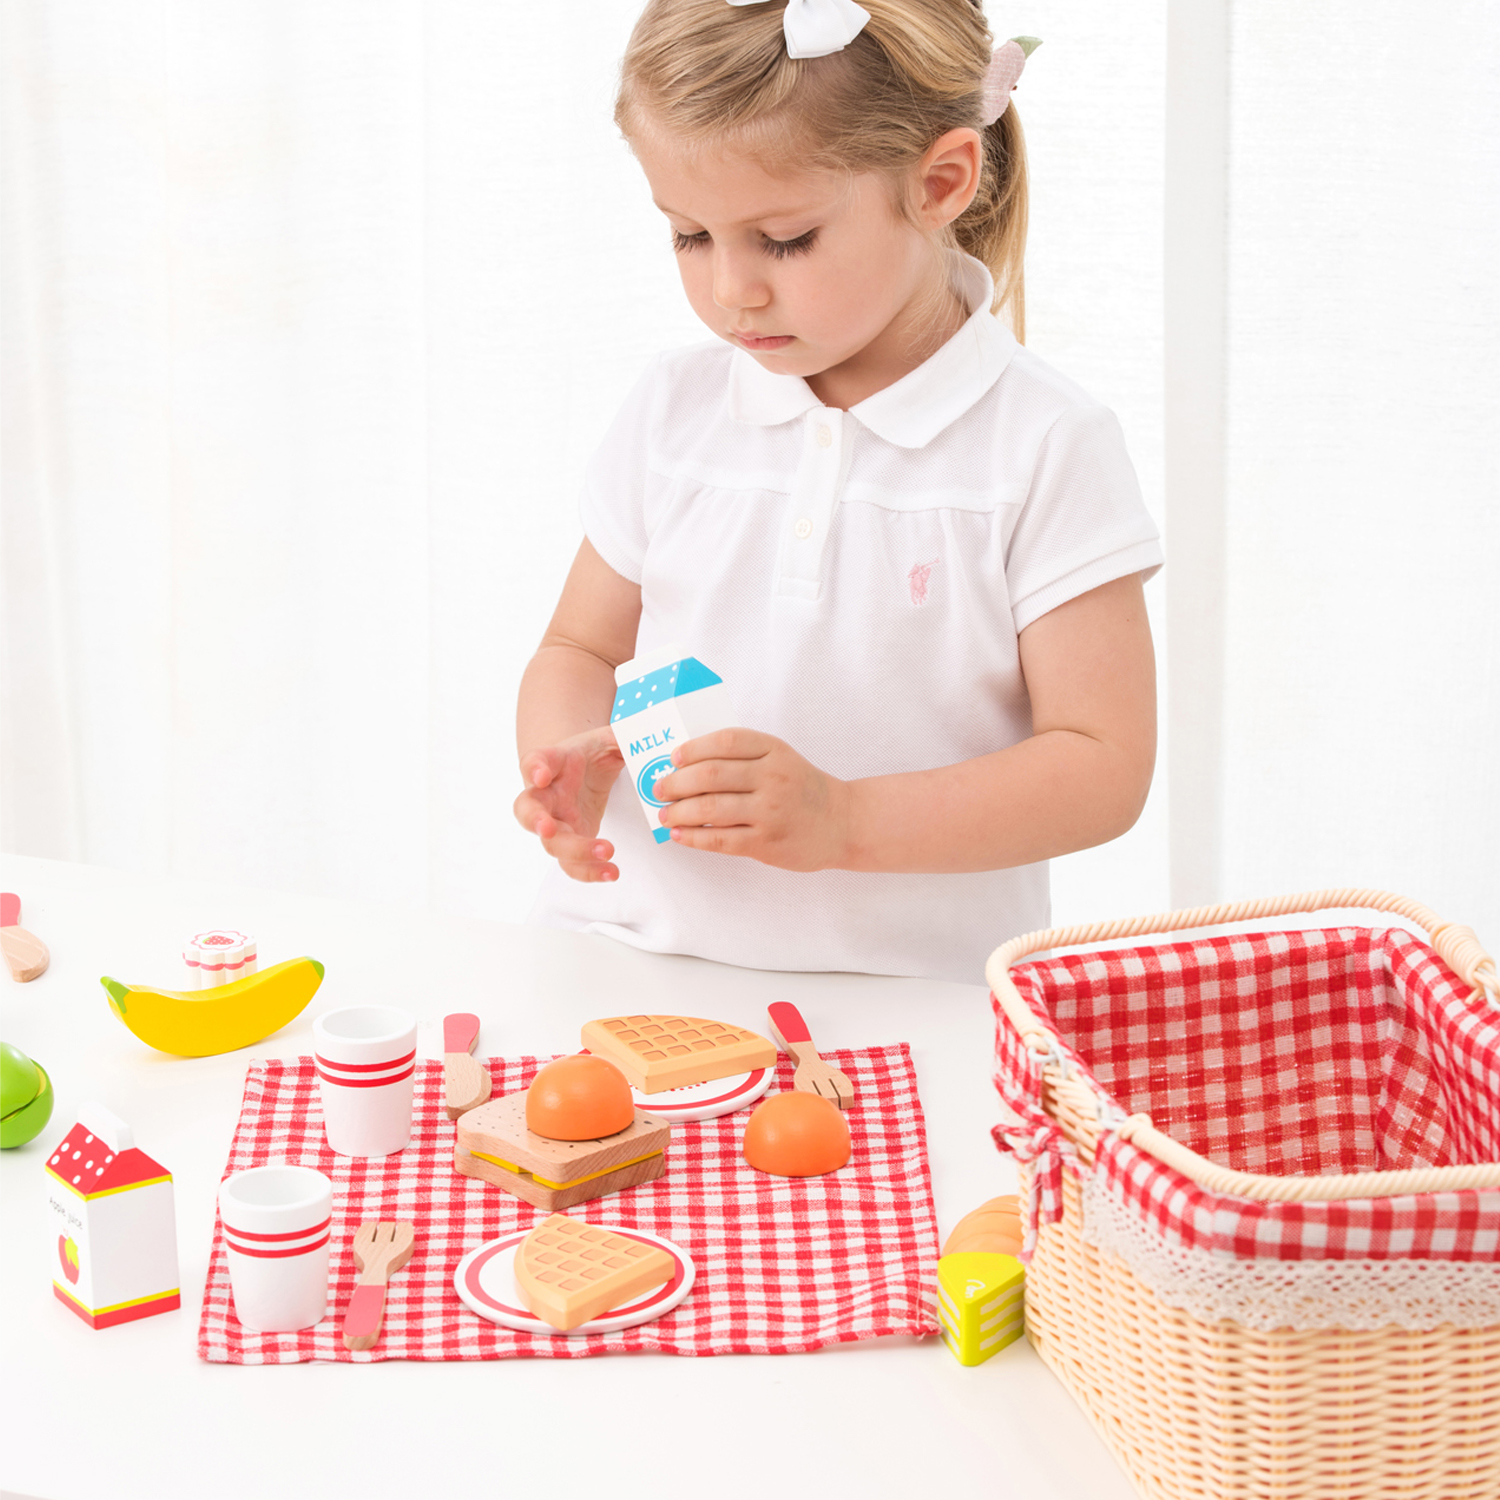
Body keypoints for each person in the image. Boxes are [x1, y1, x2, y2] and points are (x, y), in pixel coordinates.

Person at [514, 0, 1162, 985]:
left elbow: (1102, 765)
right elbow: (582, 645)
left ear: (940, 182)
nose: (733, 288)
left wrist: (845, 820)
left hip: (910, 1001)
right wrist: (567, 762)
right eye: (690, 234)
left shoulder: (1042, 443)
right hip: (626, 961)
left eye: (784, 240)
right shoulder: (674, 412)